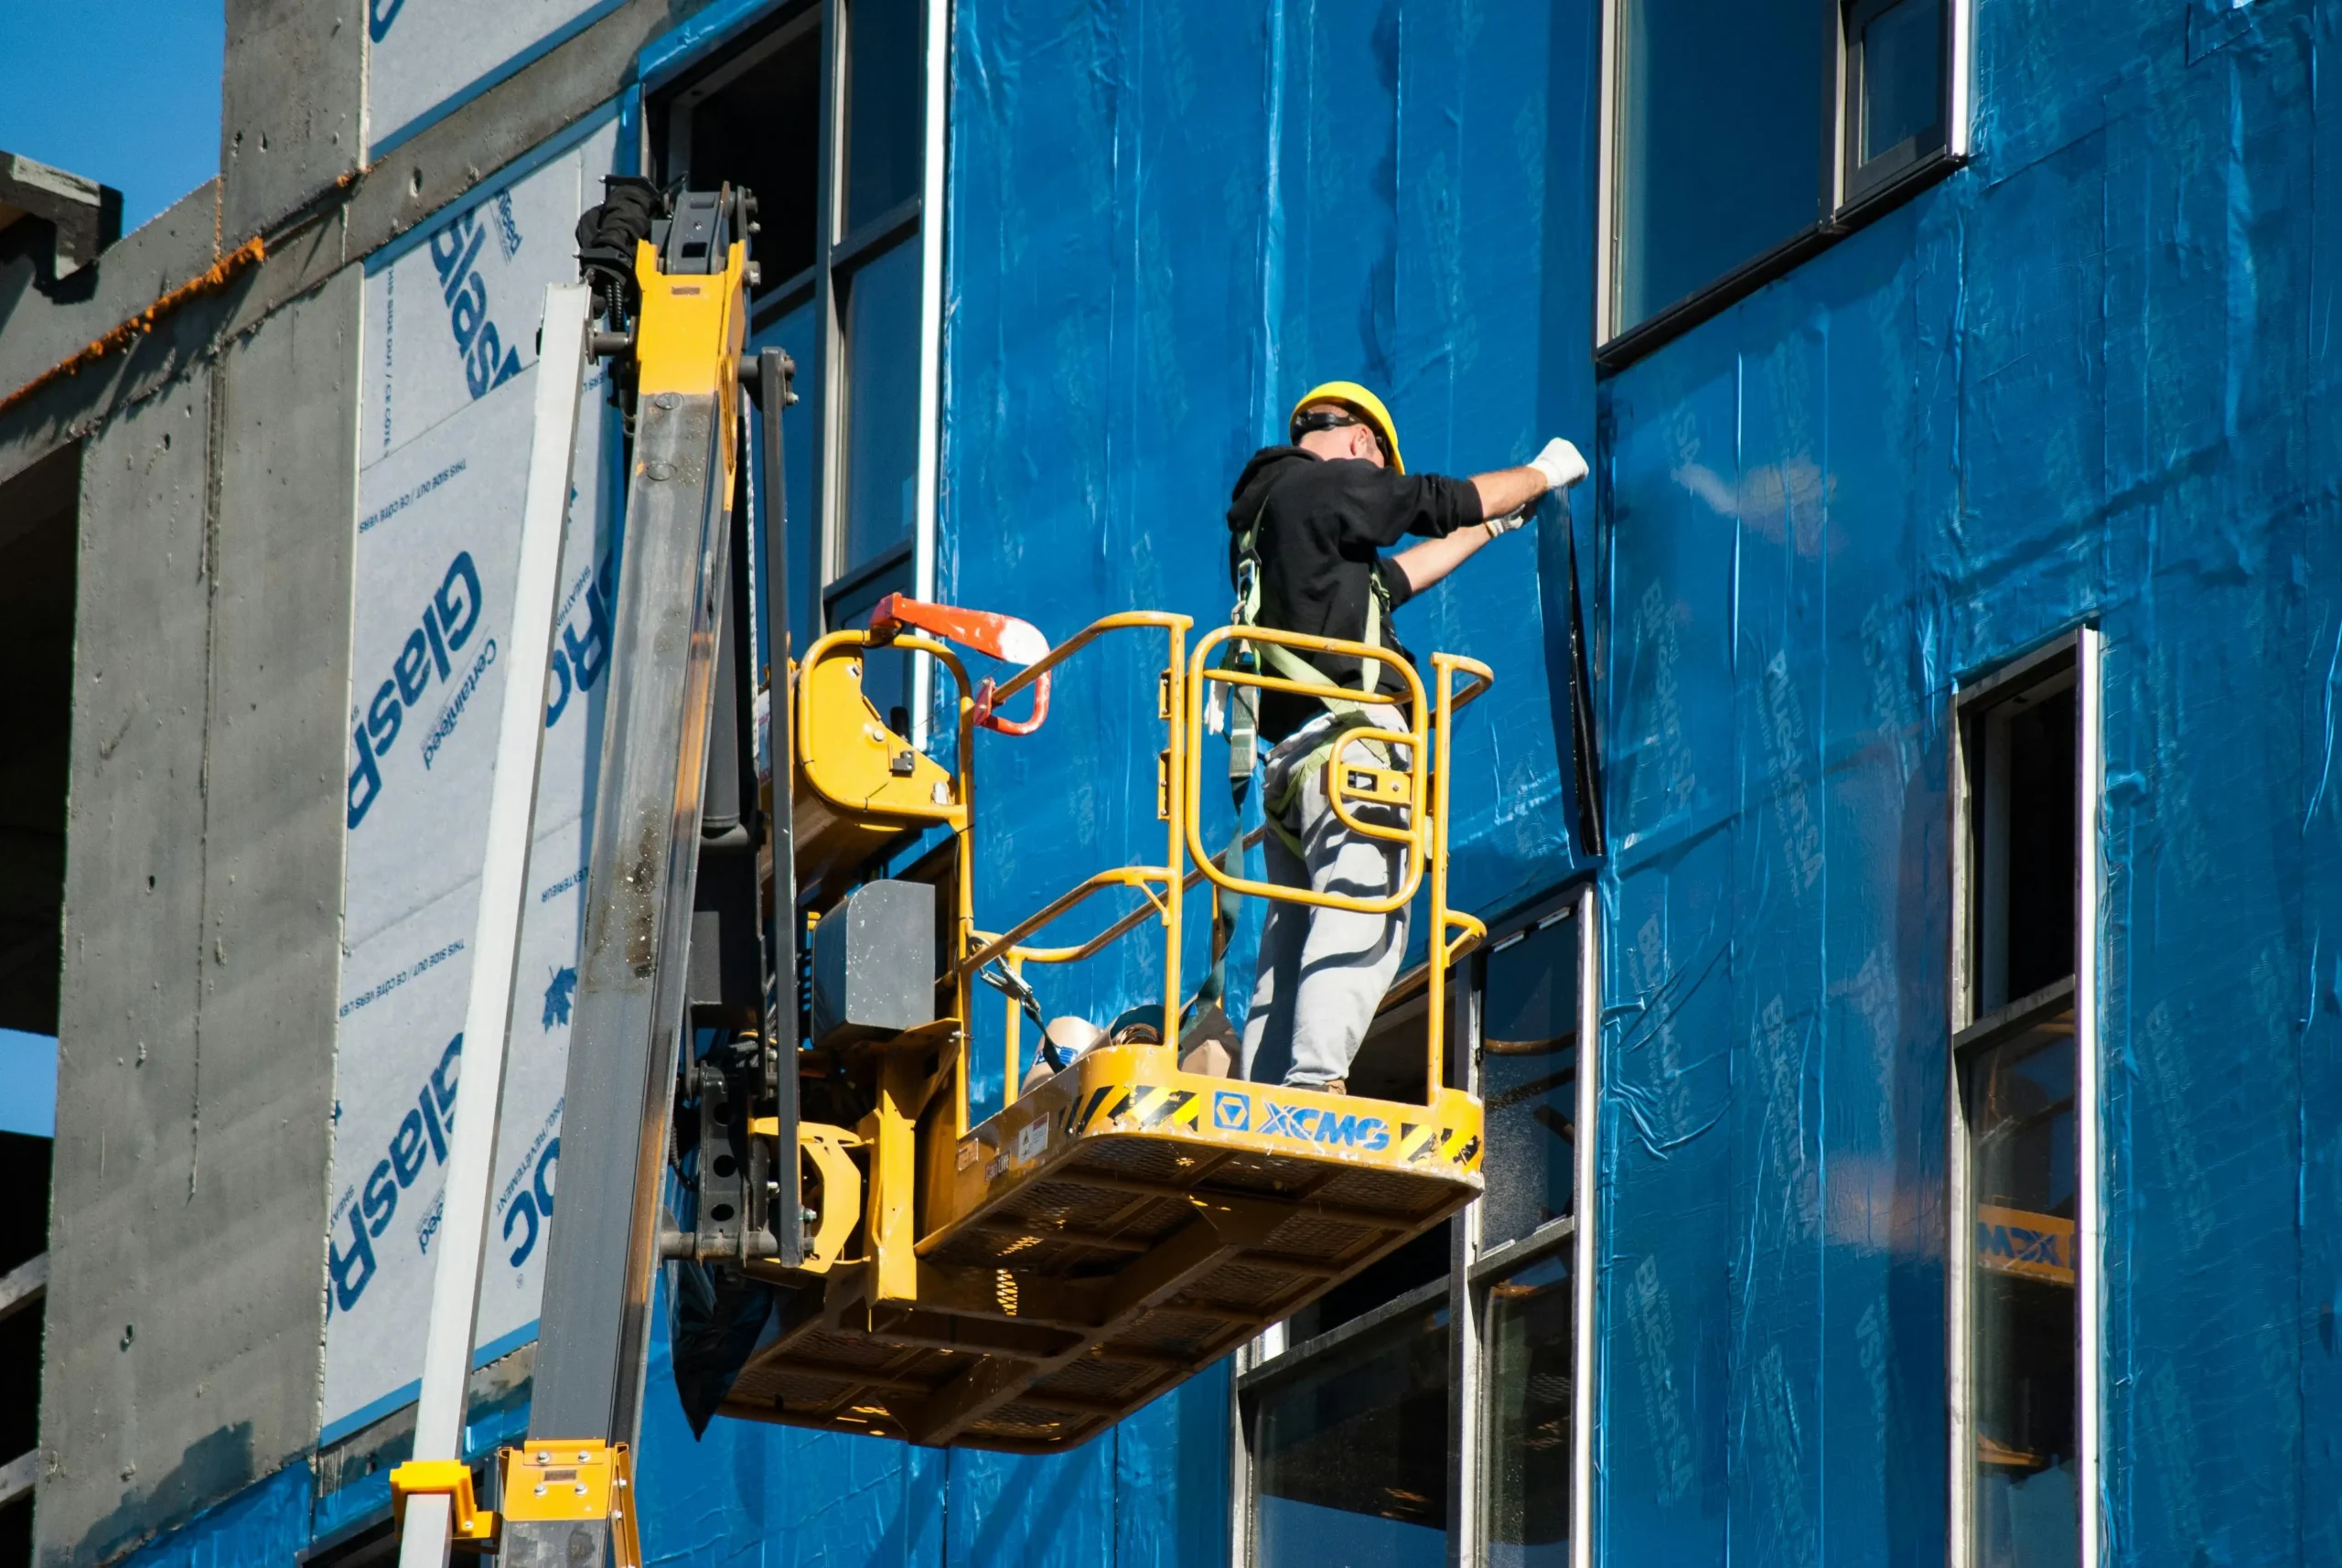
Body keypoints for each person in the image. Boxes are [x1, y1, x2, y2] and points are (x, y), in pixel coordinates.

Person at [1230, 381, 1585, 1094]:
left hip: (1294, 770)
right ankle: (1312, 1084)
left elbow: (1397, 575)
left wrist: (1492, 528)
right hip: (1351, 754)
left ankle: (1265, 1103)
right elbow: (1434, 501)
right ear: (1362, 443)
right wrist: (1543, 474)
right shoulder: (1327, 486)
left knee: (1291, 942)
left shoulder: (1276, 522)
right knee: (1366, 912)